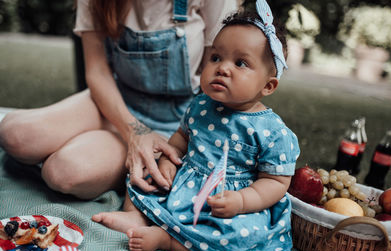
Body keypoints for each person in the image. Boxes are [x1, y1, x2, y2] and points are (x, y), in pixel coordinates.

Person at [92, 1, 301, 251]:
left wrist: (242, 201)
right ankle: (136, 214)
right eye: (216, 57)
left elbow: (275, 182)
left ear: (268, 86)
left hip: (229, 202)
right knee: (147, 174)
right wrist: (169, 161)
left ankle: (168, 240)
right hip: (187, 184)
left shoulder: (272, 131)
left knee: (238, 239)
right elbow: (180, 139)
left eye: (240, 63)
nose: (222, 68)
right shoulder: (202, 104)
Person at [0, 0, 237, 199]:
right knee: (15, 134)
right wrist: (133, 131)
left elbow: (217, 84)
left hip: (176, 125)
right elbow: (97, 72)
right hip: (114, 101)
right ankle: (107, 146)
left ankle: (110, 158)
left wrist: (185, 145)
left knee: (62, 172)